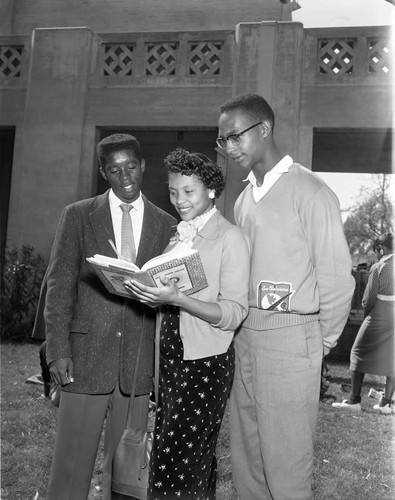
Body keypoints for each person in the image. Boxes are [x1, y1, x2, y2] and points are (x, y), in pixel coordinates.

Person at [217, 93, 355, 500]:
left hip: (293, 337)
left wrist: (319, 342)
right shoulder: (243, 199)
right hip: (246, 335)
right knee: (249, 462)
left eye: (235, 136)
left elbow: (337, 279)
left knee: (287, 466)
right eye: (223, 140)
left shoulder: (310, 191)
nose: (229, 148)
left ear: (264, 129)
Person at [44, 133, 177, 500]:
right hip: (84, 358)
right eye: (115, 170)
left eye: (131, 166)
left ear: (143, 165)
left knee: (126, 476)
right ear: (104, 173)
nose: (125, 177)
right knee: (70, 467)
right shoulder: (77, 215)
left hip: (137, 365)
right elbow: (59, 286)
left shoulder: (167, 225)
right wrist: (57, 349)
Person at [125, 148, 250, 500]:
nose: (179, 200)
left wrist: (178, 299)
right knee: (189, 459)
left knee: (176, 462)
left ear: (211, 190)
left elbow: (234, 313)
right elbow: (168, 297)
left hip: (205, 363)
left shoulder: (230, 238)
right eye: (173, 191)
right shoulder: (179, 236)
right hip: (171, 358)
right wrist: (147, 294)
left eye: (189, 192)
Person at [332, 232, 394, 414]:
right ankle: (386, 404)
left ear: (381, 249)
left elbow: (368, 299)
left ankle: (354, 400)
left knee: (357, 351)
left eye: (377, 251)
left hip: (381, 312)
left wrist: (368, 315)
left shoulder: (380, 266)